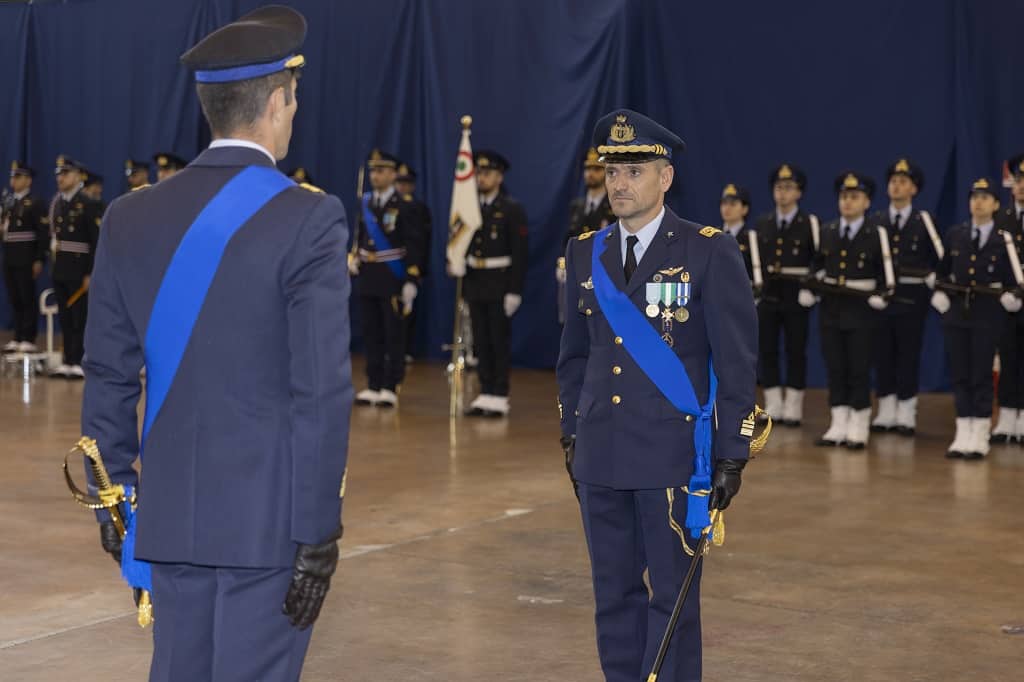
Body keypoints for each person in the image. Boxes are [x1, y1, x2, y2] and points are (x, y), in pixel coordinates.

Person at [80, 7, 352, 680]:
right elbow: (319, 392)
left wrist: (117, 505)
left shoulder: (127, 217)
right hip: (269, 527)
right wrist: (317, 531)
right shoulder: (309, 218)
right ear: (277, 104)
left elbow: (107, 376)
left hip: (169, 516)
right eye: (292, 98)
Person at [557, 109, 756, 681]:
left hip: (672, 459)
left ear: (665, 178)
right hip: (600, 454)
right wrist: (572, 432)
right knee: (613, 596)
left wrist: (730, 454)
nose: (618, 184)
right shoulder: (583, 253)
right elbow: (573, 356)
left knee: (672, 600)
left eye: (634, 171)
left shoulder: (707, 251)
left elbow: (736, 363)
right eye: (611, 171)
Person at [931, 177, 1022, 458]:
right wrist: (941, 293)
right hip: (958, 313)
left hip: (987, 314)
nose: (978, 202)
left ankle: (980, 430)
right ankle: (963, 430)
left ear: (996, 204)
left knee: (981, 373)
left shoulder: (1002, 239)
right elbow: (943, 272)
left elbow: (1016, 280)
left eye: (985, 197)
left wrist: (1013, 297)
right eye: (974, 197)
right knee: (960, 372)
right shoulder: (956, 234)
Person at [814, 172, 895, 449]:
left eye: (854, 197)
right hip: (831, 309)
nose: (848, 202)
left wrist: (883, 294)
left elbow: (887, 274)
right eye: (844, 196)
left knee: (858, 368)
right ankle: (838, 421)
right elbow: (817, 268)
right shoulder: (828, 230)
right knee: (836, 367)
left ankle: (859, 422)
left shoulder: (876, 233)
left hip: (861, 310)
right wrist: (812, 287)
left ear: (867, 201)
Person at [870, 158, 943, 435]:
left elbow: (940, 258)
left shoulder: (923, 220)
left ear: (914, 188)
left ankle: (906, 410)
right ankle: (886, 408)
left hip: (913, 296)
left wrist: (937, 285)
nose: (896, 186)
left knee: (908, 354)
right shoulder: (877, 220)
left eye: (903, 182)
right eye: (893, 181)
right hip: (883, 297)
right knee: (882, 353)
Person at [348, 150, 426, 407]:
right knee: (371, 333)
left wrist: (412, 280)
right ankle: (373, 383)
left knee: (393, 334)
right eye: (373, 171)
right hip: (368, 277)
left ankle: (391, 385)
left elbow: (415, 245)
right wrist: (355, 257)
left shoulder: (405, 206)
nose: (375, 176)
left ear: (394, 174)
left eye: (381, 171)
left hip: (393, 278)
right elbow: (360, 237)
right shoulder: (366, 203)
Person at [460, 149, 528, 416]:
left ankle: (499, 393)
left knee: (498, 340)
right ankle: (484, 391)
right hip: (476, 281)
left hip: (500, 284)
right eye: (478, 172)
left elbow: (520, 254)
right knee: (480, 340)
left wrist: (515, 290)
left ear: (499, 177)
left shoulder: (511, 209)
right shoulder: (470, 208)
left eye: (487, 173)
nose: (481, 178)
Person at [755, 164, 820, 427]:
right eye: (778, 188)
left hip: (796, 294)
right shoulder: (764, 223)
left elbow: (819, 258)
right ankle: (773, 403)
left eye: (789, 188)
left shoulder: (809, 223)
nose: (782, 193)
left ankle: (793, 405)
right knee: (767, 349)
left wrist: (811, 288)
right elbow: (757, 260)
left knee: (795, 350)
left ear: (799, 193)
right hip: (769, 294)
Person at [50, 155, 103, 379]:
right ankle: (67, 359)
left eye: (65, 173)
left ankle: (80, 359)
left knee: (79, 317)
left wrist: (91, 273)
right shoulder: (59, 204)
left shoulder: (89, 204)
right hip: (61, 268)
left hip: (80, 269)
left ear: (77, 176)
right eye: (58, 174)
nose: (60, 178)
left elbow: (96, 242)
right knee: (64, 316)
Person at [557, 148, 615, 315]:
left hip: (606, 275)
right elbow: (568, 238)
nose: (590, 174)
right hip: (579, 273)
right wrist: (562, 264)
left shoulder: (613, 207)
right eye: (587, 169)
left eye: (596, 169)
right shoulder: (577, 207)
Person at [992, 153, 1024, 443]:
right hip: (1006, 302)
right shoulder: (1000, 217)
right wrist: (1003, 292)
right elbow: (993, 259)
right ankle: (1006, 417)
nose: (1022, 185)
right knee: (1009, 356)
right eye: (1019, 179)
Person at [1, 161, 49, 353]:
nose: (14, 180)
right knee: (14, 296)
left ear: (28, 180)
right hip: (9, 255)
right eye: (12, 176)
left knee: (26, 296)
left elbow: (42, 233)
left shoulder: (35, 203)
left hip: (26, 255)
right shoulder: (9, 203)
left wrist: (39, 259)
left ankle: (28, 336)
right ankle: (17, 335)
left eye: (18, 176)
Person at [395, 162, 432, 362]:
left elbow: (421, 241)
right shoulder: (386, 206)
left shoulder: (417, 208)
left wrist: (416, 271)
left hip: (408, 264)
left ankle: (405, 349)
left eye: (406, 183)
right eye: (399, 182)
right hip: (388, 266)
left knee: (407, 310)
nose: (402, 187)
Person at [719, 183, 762, 294]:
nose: (727, 208)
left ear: (744, 209)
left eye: (733, 204)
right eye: (724, 203)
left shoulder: (753, 238)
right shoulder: (713, 236)